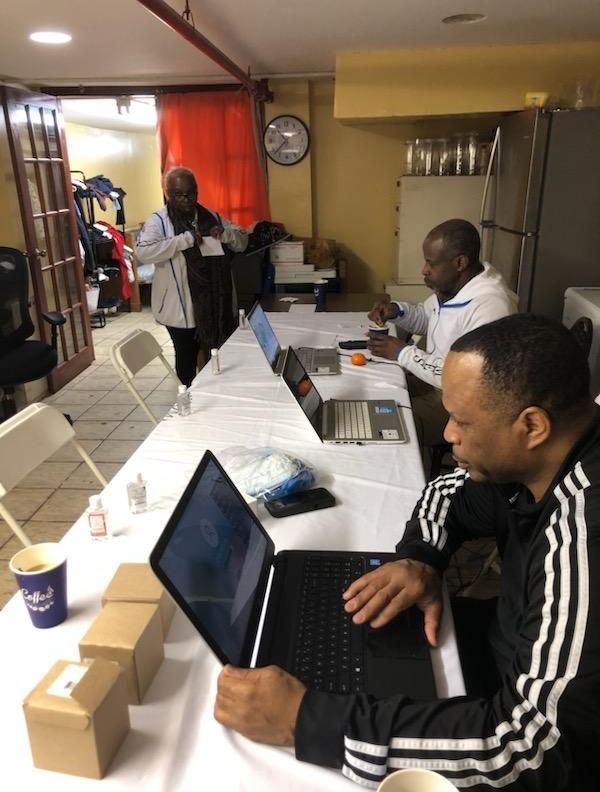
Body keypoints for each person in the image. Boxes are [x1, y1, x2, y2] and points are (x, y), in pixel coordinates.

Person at [215, 314, 600, 791]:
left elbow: (534, 746)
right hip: (506, 651)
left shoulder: (582, 533)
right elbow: (449, 491)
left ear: (532, 426)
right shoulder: (528, 466)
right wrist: (420, 559)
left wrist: (308, 720)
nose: (450, 435)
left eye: (463, 421)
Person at [368, 219, 517, 466]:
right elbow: (429, 318)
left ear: (460, 262)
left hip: (466, 403)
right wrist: (398, 311)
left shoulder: (490, 306)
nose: (424, 270)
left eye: (431, 263)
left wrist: (403, 353)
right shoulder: (456, 285)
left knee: (387, 422)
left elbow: (465, 379)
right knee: (376, 388)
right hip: (437, 381)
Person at [137, 167, 248, 386]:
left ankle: (214, 394)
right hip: (179, 309)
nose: (186, 199)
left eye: (191, 193)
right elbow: (144, 252)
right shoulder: (158, 221)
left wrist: (225, 235)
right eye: (179, 194)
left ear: (197, 191)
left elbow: (243, 242)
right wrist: (184, 240)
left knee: (220, 358)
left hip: (217, 306)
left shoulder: (211, 216)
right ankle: (188, 399)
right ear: (169, 194)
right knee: (186, 362)